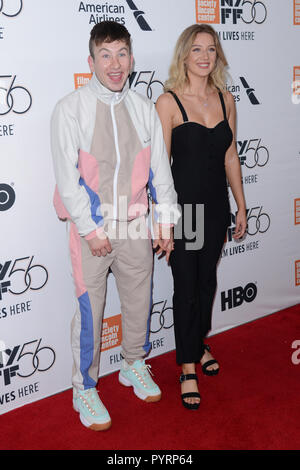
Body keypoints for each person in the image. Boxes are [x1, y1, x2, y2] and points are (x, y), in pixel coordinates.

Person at [51, 21, 179, 430]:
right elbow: (67, 179)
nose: (115, 63)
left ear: (131, 58)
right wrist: (91, 230)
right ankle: (84, 388)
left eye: (122, 53)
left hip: (135, 225)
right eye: (105, 55)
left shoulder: (143, 107)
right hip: (92, 230)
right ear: (91, 61)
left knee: (140, 300)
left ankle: (132, 364)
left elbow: (162, 172)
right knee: (92, 312)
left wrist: (166, 222)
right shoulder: (70, 109)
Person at [156, 24, 247, 410]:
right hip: (186, 212)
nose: (205, 56)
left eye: (211, 49)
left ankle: (197, 343)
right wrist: (163, 221)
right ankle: (188, 365)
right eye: (196, 49)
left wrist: (242, 205)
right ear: (184, 56)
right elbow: (159, 169)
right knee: (186, 287)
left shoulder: (227, 100)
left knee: (207, 284)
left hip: (215, 208)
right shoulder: (168, 102)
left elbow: (230, 157)